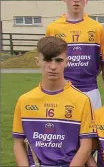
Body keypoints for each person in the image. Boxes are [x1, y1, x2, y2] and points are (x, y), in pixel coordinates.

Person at [12, 36, 97, 166]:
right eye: (47, 60)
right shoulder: (25, 100)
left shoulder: (82, 100)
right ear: (37, 61)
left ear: (67, 62)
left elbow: (86, 147)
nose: (53, 66)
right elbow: (18, 143)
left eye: (58, 60)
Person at [45, 0, 104, 109]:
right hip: (62, 89)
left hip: (90, 89)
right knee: (64, 128)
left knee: (92, 128)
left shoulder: (97, 28)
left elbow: (101, 61)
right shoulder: (53, 28)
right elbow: (49, 62)